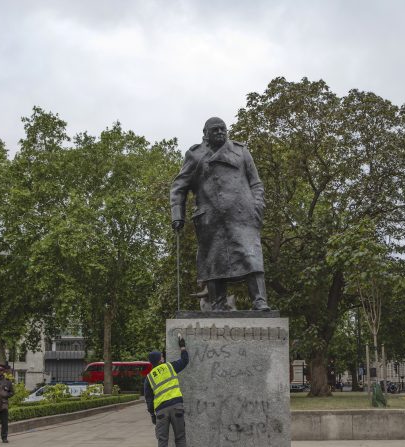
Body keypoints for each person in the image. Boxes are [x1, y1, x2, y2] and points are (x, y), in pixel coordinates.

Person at [170, 117, 270, 311]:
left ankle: (260, 301)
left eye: (222, 129)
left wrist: (257, 207)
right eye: (214, 130)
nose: (219, 132)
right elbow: (179, 187)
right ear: (205, 134)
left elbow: (256, 183)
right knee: (214, 263)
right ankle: (218, 304)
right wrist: (177, 215)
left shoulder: (241, 152)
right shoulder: (195, 155)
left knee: (252, 257)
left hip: (243, 216)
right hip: (210, 219)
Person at [144, 335, 190, 447]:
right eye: (161, 356)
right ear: (160, 359)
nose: (163, 357)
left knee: (163, 441)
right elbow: (185, 361)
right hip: (176, 407)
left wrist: (152, 415)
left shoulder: (149, 378)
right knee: (180, 438)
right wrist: (182, 346)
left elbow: (149, 399)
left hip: (161, 411)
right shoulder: (170, 367)